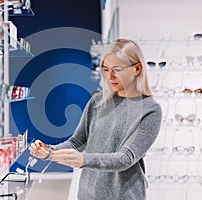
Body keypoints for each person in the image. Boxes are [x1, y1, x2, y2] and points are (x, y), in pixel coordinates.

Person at [29, 38, 162, 200]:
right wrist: (48, 152)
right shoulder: (97, 101)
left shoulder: (150, 110)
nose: (110, 76)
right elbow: (76, 142)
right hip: (87, 194)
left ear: (137, 68)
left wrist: (84, 159)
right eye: (105, 69)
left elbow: (126, 158)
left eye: (117, 69)